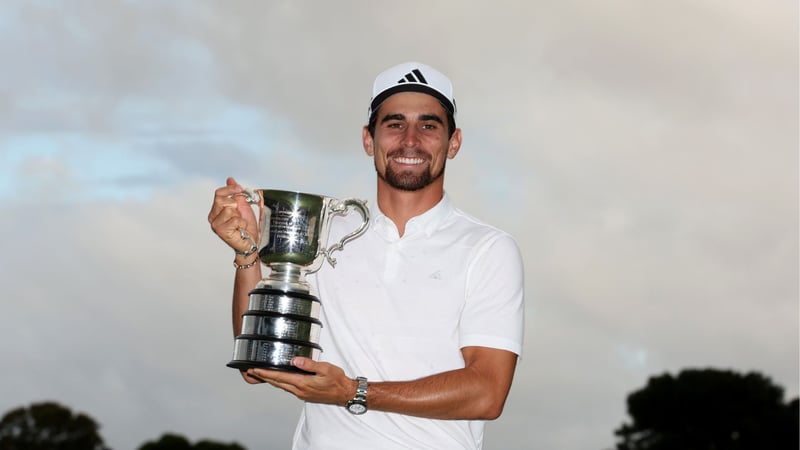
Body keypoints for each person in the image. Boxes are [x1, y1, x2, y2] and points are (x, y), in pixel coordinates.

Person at [208, 62, 525, 449]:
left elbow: (487, 394)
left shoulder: (488, 248)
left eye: (428, 125)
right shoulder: (323, 230)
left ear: (453, 142)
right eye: (394, 124)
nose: (410, 140)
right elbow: (256, 364)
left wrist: (351, 391)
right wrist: (247, 254)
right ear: (368, 140)